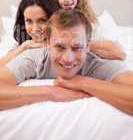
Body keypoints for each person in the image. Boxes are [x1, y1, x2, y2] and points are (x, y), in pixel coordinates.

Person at [0, 9, 133, 114]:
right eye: (59, 47)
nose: (68, 59)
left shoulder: (97, 64)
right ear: (47, 44)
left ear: (87, 46)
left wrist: (82, 82)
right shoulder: (34, 58)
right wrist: (50, 92)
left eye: (77, 47)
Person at [51, 0, 125, 60]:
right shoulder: (56, 17)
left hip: (89, 41)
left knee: (119, 53)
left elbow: (92, 33)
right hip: (72, 45)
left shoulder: (85, 15)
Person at [0, 0, 59, 67]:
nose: (35, 29)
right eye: (29, 21)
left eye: (42, 20)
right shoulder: (23, 45)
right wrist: (24, 47)